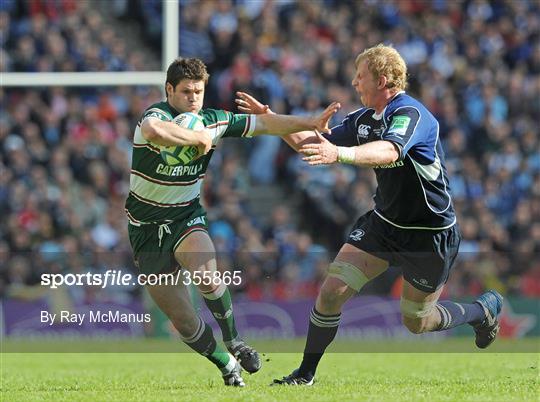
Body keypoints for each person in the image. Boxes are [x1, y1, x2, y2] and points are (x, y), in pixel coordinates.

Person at [235, 44, 503, 386]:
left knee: (417, 322)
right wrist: (273, 122)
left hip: (429, 234)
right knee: (331, 291)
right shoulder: (363, 119)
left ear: (384, 79)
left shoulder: (412, 114)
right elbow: (316, 145)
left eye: (360, 76)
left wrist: (340, 154)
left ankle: (482, 311)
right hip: (385, 225)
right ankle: (306, 374)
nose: (353, 82)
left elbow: (389, 150)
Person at [125, 57, 339, 387]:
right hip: (145, 229)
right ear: (169, 90)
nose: (193, 98)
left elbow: (267, 124)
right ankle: (225, 364)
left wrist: (310, 122)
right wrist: (196, 139)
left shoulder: (214, 120)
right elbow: (155, 131)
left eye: (199, 91)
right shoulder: (156, 115)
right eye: (185, 92)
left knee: (207, 275)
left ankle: (235, 341)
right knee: (182, 320)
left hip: (185, 216)